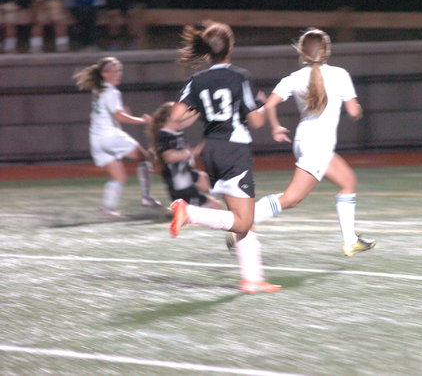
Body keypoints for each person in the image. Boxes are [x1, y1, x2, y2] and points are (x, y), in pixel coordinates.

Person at [168, 20, 281, 294]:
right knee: (243, 220)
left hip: (211, 149)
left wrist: (201, 109)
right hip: (234, 149)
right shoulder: (240, 76)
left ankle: (252, 279)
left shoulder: (197, 80)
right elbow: (256, 122)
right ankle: (189, 212)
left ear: (207, 50)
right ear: (230, 47)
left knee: (240, 217)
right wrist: (262, 105)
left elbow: (175, 116)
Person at [254, 28, 375, 257]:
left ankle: (350, 240)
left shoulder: (294, 78)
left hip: (306, 141)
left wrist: (275, 127)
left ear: (302, 52)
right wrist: (358, 109)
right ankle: (242, 222)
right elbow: (353, 111)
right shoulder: (340, 75)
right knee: (290, 199)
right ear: (327, 51)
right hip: (317, 146)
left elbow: (268, 105)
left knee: (348, 181)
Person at [73, 56, 161, 219]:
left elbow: (112, 113)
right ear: (104, 74)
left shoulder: (98, 90)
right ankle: (146, 197)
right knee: (145, 158)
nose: (117, 74)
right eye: (112, 71)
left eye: (118, 70)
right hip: (110, 137)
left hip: (96, 140)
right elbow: (119, 117)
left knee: (119, 177)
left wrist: (121, 114)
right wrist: (142, 120)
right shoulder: (111, 92)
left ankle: (108, 208)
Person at [147, 101, 236, 251]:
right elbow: (169, 157)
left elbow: (188, 119)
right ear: (170, 118)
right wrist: (193, 152)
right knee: (216, 206)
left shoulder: (174, 130)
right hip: (181, 186)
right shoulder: (164, 135)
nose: (184, 116)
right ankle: (231, 234)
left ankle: (225, 208)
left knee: (210, 181)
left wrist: (203, 106)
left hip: (188, 176)